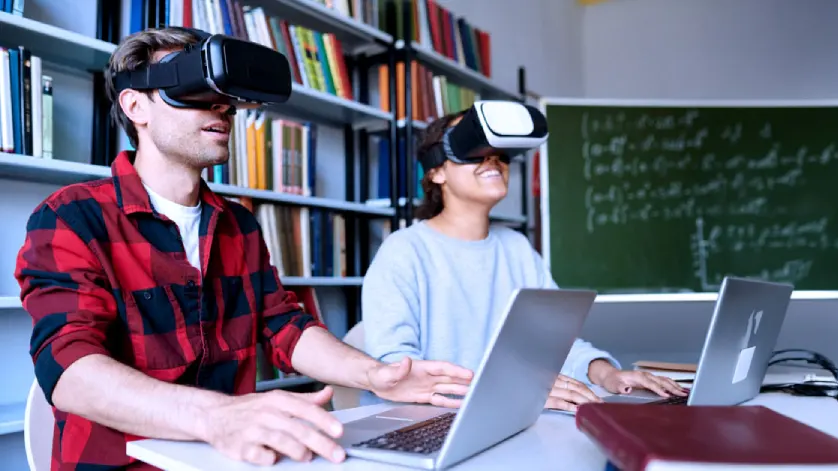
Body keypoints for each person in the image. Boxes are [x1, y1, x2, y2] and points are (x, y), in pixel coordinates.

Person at [13, 27, 473, 470]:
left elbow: (284, 327)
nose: (220, 107)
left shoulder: (238, 224)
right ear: (136, 106)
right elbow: (68, 367)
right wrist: (216, 417)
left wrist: (374, 375)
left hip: (233, 460)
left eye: (224, 97)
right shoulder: (71, 217)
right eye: (192, 90)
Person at [360, 109, 687, 412]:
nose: (492, 160)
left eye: (500, 153)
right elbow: (399, 374)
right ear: (436, 172)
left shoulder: (517, 249)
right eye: (474, 148)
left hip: (511, 417)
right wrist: (518, 391)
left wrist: (607, 375)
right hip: (429, 422)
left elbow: (554, 344)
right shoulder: (403, 252)